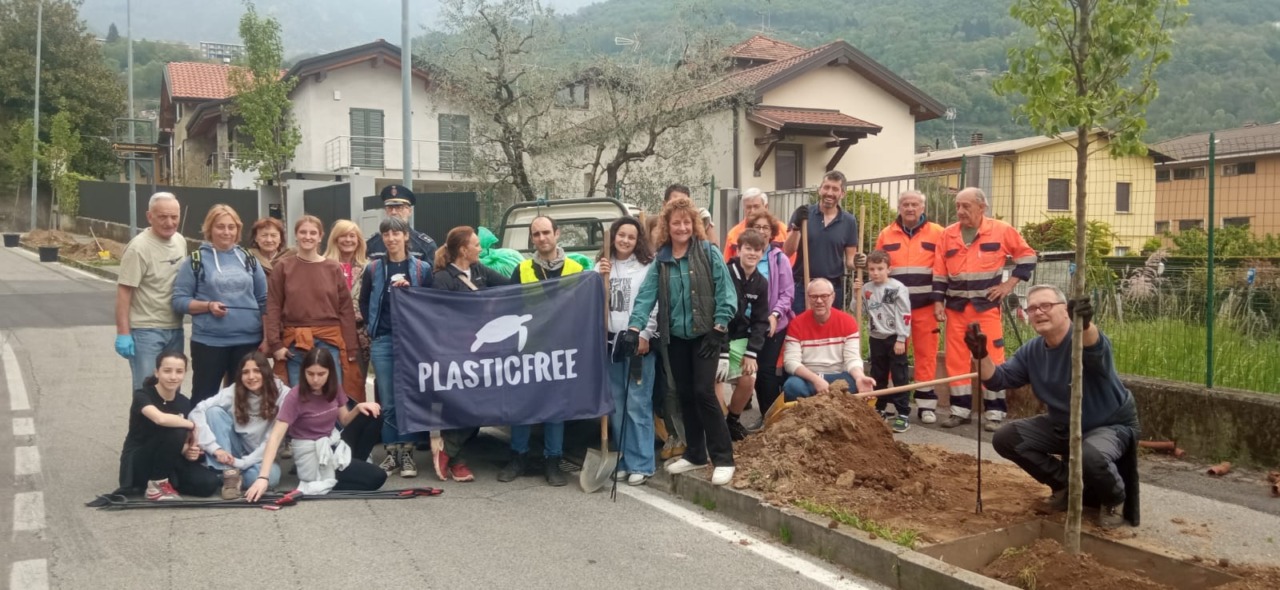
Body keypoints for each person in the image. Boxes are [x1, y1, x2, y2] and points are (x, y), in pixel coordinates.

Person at [974, 285, 1139, 528]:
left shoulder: (1081, 339)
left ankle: (1114, 499)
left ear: (1065, 311)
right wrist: (979, 353)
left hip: (1108, 424)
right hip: (1063, 423)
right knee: (1006, 437)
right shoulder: (1032, 350)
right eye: (1031, 309)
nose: (1038, 312)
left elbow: (1095, 348)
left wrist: (1084, 325)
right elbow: (997, 380)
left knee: (1090, 456)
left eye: (1046, 306)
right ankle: (1065, 485)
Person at [618, 196, 738, 486]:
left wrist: (719, 328)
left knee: (704, 393)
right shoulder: (662, 259)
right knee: (684, 394)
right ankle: (695, 453)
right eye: (676, 223)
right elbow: (647, 295)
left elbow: (726, 292)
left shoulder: (708, 252)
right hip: (676, 337)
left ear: (693, 224)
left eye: (687, 221)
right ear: (667, 227)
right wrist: (634, 329)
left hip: (706, 336)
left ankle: (723, 458)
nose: (682, 227)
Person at [933, 187, 1037, 431]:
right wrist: (938, 302)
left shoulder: (1001, 230)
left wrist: (1008, 285)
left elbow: (1028, 257)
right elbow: (939, 272)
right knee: (956, 360)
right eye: (958, 206)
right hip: (956, 309)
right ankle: (960, 411)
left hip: (986, 308)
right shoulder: (948, 235)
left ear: (982, 207)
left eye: (966, 206)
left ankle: (994, 412)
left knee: (992, 358)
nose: (960, 211)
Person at [499, 216, 585, 486]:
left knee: (555, 406)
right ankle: (518, 457)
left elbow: (585, 308)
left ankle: (553, 460)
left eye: (546, 232)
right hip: (529, 349)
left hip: (561, 350)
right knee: (522, 405)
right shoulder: (522, 269)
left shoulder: (576, 269)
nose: (542, 238)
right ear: (532, 239)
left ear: (557, 234)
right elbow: (509, 307)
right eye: (536, 234)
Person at [245, 348, 387, 502]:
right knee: (377, 478)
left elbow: (345, 420)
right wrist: (263, 477)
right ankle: (328, 479)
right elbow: (275, 437)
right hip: (313, 453)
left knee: (375, 414)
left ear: (330, 373)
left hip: (333, 443)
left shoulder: (335, 388)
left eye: (321, 374)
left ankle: (353, 466)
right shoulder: (295, 396)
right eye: (310, 374)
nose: (315, 380)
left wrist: (359, 407)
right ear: (303, 372)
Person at [431, 226, 511, 482]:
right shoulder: (443, 279)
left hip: (484, 351)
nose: (480, 248)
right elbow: (439, 317)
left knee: (481, 405)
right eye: (476, 245)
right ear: (464, 250)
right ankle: (458, 460)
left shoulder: (479, 270)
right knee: (462, 405)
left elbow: (512, 287)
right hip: (457, 351)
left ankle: (448, 450)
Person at [359, 217, 434, 480]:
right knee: (388, 400)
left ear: (405, 236)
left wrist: (410, 291)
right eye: (386, 234)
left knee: (409, 398)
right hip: (383, 339)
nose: (391, 238)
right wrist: (373, 328)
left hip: (412, 341)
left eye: (396, 233)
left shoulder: (422, 268)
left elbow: (430, 302)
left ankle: (409, 453)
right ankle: (393, 453)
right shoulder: (374, 268)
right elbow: (364, 300)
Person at [172, 205, 268, 406]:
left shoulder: (249, 259)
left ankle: (237, 438)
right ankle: (198, 437)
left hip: (248, 341)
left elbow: (264, 300)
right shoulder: (195, 261)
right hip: (209, 343)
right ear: (210, 229)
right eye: (220, 227)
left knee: (244, 400)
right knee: (204, 400)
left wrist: (267, 338)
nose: (226, 232)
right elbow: (179, 301)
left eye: (231, 227)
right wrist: (208, 306)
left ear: (238, 230)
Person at [264, 215, 361, 400]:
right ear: (296, 235)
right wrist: (275, 344)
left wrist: (350, 349)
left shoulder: (333, 268)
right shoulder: (283, 267)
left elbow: (346, 310)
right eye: (303, 232)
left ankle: (334, 430)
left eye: (313, 233)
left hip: (330, 341)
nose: (308, 236)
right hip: (295, 343)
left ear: (320, 236)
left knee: (332, 397)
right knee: (297, 398)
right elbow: (273, 306)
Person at [597, 217, 659, 486]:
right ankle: (623, 459)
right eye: (620, 235)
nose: (624, 240)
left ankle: (642, 462)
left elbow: (653, 302)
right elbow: (591, 298)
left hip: (637, 343)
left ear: (638, 241)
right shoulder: (601, 265)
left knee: (637, 404)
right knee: (618, 405)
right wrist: (596, 274)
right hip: (610, 344)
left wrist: (645, 333)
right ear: (613, 237)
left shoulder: (647, 267)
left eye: (631, 237)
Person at [875, 190, 946, 424]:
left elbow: (942, 268)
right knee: (894, 356)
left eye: (915, 204)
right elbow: (878, 265)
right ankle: (895, 401)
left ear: (922, 208)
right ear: (899, 207)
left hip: (925, 306)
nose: (910, 208)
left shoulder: (938, 233)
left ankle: (926, 405)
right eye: (905, 204)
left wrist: (939, 301)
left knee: (926, 355)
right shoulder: (887, 234)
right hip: (894, 309)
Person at [116, 351, 220, 501]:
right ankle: (156, 487)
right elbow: (160, 419)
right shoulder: (142, 395)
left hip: (168, 460)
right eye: (167, 371)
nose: (173, 377)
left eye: (179, 371)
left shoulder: (184, 402)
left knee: (209, 484)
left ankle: (166, 484)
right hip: (140, 459)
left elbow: (180, 443)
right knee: (175, 430)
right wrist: (190, 424)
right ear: (156, 372)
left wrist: (187, 452)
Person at [115, 192, 188, 391]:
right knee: (147, 391)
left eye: (174, 217)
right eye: (163, 217)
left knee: (171, 390)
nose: (169, 222)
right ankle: (142, 424)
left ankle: (167, 424)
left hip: (175, 328)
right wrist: (123, 333)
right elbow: (124, 291)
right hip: (146, 330)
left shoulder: (180, 241)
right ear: (149, 216)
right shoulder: (139, 248)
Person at [189, 352, 285, 499]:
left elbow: (271, 440)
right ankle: (229, 474)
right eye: (245, 372)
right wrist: (215, 449)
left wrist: (242, 463)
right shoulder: (234, 390)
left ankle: (222, 475)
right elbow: (197, 411)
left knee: (269, 478)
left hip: (263, 458)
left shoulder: (283, 394)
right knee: (213, 412)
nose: (251, 377)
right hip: (234, 451)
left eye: (257, 371)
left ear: (266, 371)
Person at [781, 278, 876, 399]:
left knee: (856, 384)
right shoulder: (796, 324)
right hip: (808, 377)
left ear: (833, 296)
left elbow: (852, 359)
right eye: (814, 296)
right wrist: (816, 380)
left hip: (838, 376)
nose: (819, 301)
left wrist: (859, 377)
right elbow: (790, 362)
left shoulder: (847, 322)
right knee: (792, 387)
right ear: (808, 298)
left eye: (824, 296)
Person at [743, 211, 795, 424]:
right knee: (751, 372)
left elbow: (787, 293)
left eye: (766, 228)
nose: (762, 231)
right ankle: (766, 416)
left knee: (765, 371)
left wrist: (774, 315)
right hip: (746, 324)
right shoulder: (743, 255)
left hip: (773, 323)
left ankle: (772, 418)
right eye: (757, 227)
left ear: (772, 232)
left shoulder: (779, 259)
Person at [784, 171, 860, 314]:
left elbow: (850, 261)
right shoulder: (804, 214)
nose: (829, 193)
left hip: (831, 288)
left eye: (835, 189)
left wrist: (862, 262)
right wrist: (796, 227)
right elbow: (788, 251)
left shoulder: (849, 221)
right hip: (803, 286)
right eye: (826, 187)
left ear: (842, 194)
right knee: (802, 331)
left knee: (829, 333)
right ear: (820, 190)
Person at [721, 229, 771, 441]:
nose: (752, 253)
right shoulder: (724, 273)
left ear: (763, 252)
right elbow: (716, 312)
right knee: (715, 377)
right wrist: (722, 350)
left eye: (757, 250)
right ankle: (718, 424)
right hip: (717, 336)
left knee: (749, 378)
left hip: (741, 336)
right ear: (738, 250)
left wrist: (752, 352)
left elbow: (761, 320)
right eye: (748, 248)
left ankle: (732, 420)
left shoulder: (761, 282)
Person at [861, 250, 913, 433]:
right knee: (878, 375)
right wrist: (854, 292)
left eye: (880, 269)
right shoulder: (866, 288)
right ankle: (880, 407)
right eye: (872, 269)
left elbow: (904, 314)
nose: (875, 273)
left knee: (899, 376)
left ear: (889, 269)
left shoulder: (897, 288)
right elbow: (858, 310)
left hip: (894, 337)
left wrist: (901, 338)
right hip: (876, 337)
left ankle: (903, 412)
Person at [325, 219, 370, 381]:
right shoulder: (323, 265)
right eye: (343, 236)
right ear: (335, 239)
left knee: (356, 384)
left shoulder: (369, 268)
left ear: (358, 240)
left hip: (359, 336)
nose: (348, 240)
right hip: (330, 333)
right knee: (332, 383)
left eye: (352, 236)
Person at [365, 184, 438, 264]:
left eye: (399, 207)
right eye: (389, 208)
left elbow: (431, 274)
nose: (393, 212)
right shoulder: (372, 244)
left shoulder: (424, 245)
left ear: (410, 211)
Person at [723, 188, 789, 261]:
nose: (752, 211)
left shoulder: (783, 230)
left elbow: (791, 262)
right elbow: (727, 265)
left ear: (766, 206)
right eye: (748, 207)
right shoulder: (733, 235)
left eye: (756, 206)